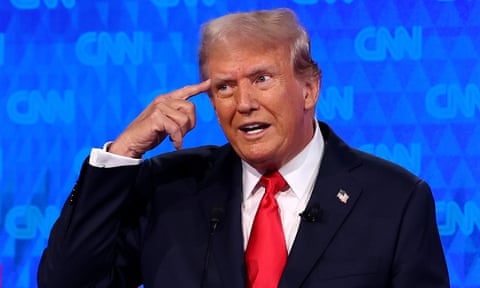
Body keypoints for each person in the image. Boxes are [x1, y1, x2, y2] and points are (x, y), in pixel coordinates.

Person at [38, 8, 450, 288]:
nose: (244, 102)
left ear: (309, 89)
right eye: (224, 87)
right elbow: (68, 282)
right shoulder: (168, 188)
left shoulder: (395, 201)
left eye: (262, 79)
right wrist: (123, 154)